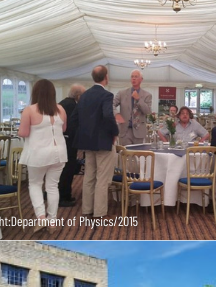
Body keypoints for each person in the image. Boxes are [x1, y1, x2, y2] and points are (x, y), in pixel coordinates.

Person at [18, 79, 69, 230]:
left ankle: (41, 217)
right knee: (53, 186)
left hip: (38, 153)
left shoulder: (30, 110)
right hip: (59, 153)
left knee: (35, 184)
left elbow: (24, 132)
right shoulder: (61, 109)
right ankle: (52, 220)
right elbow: (64, 129)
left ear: (36, 93)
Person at [74, 65, 119, 219]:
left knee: (89, 176)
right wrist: (114, 132)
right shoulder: (106, 95)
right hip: (103, 141)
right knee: (102, 178)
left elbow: (75, 117)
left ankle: (87, 209)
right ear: (106, 77)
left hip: (87, 141)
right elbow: (107, 115)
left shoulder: (84, 95)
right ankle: (99, 212)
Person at [57, 83, 85, 207]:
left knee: (61, 169)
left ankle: (60, 193)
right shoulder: (73, 106)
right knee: (67, 170)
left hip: (60, 140)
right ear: (78, 96)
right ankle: (64, 196)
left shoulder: (61, 103)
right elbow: (73, 125)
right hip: (68, 142)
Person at [113, 70, 152, 146]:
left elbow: (148, 111)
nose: (133, 79)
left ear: (141, 79)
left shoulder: (147, 95)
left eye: (136, 77)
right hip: (125, 131)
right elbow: (111, 104)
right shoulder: (122, 93)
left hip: (139, 131)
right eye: (132, 77)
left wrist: (138, 99)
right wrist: (116, 114)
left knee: (138, 156)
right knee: (125, 156)